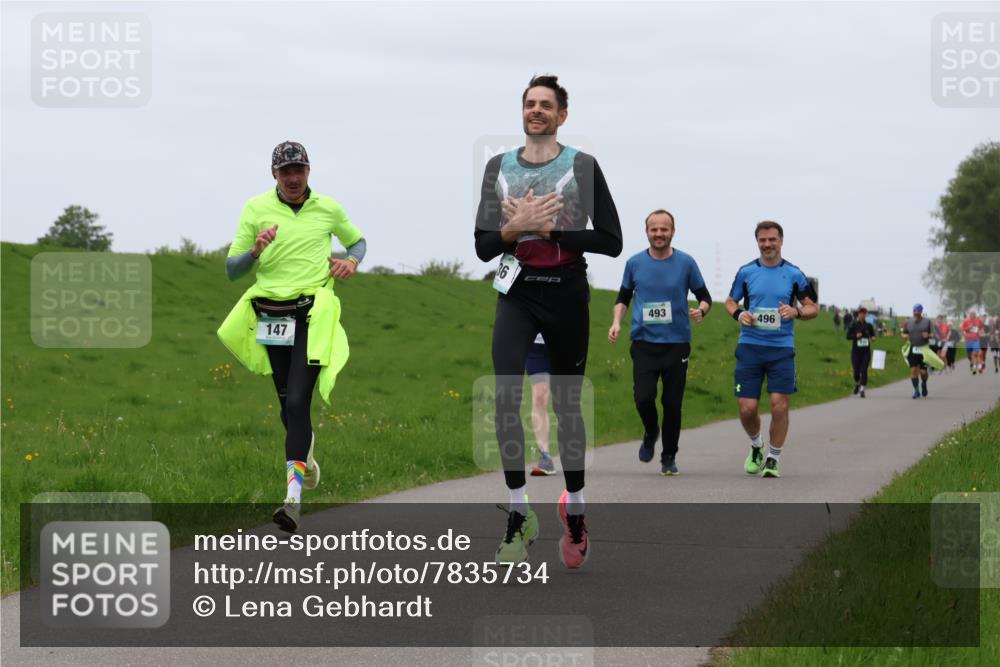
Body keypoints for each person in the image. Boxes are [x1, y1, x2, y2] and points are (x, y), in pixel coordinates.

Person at [474, 74, 622, 568]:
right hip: (516, 291)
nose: (536, 110)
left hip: (565, 292)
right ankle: (519, 514)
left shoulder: (582, 166)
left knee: (566, 405)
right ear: (522, 112)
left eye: (546, 105)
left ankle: (575, 507)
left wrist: (550, 228)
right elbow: (482, 246)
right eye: (529, 104)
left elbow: (611, 239)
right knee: (504, 396)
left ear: (562, 115)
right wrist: (514, 228)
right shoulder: (498, 167)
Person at [218, 141, 366, 532]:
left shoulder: (328, 208)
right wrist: (254, 251)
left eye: (298, 169)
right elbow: (232, 271)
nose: (293, 177)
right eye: (285, 172)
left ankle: (293, 500)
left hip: (311, 313)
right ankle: (307, 461)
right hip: (271, 316)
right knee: (287, 405)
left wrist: (351, 261)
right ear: (274, 175)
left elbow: (358, 241)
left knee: (299, 399)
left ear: (309, 170)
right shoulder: (255, 209)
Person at [608, 209, 711, 475]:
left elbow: (704, 296)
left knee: (673, 403)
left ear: (672, 232)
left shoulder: (686, 263)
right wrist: (617, 322)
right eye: (654, 229)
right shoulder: (634, 263)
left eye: (664, 229)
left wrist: (702, 309)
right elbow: (623, 297)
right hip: (643, 343)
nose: (659, 234)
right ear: (647, 232)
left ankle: (668, 457)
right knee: (643, 398)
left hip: (677, 343)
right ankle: (651, 430)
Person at [724, 221, 818, 479]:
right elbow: (730, 301)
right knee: (747, 408)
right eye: (762, 240)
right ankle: (756, 446)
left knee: (779, 406)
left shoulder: (795, 274)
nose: (767, 244)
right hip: (750, 348)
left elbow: (813, 307)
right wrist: (739, 313)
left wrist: (796, 311)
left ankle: (773, 459)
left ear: (781, 241)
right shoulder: (746, 272)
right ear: (757, 242)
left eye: (772, 240)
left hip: (781, 350)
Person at [526, 334, 557, 476]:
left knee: (565, 401)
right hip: (536, 345)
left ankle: (572, 453)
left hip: (563, 342)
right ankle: (545, 456)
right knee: (540, 395)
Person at [901, 304, 933, 398]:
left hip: (924, 349)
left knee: (923, 372)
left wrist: (928, 335)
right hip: (913, 348)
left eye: (917, 311)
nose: (915, 312)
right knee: (914, 370)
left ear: (921, 311)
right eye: (914, 311)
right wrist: (905, 336)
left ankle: (924, 383)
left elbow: (933, 334)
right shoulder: (909, 322)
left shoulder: (927, 322)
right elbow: (903, 334)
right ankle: (916, 391)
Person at [846, 306, 876, 397]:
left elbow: (873, 335)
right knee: (856, 372)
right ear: (858, 314)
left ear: (866, 314)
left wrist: (873, 338)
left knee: (864, 370)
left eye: (864, 313)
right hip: (856, 352)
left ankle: (862, 389)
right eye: (861, 313)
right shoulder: (854, 324)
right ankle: (857, 384)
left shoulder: (869, 326)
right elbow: (848, 336)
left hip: (866, 352)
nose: (862, 315)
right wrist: (856, 336)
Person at [960, 309, 986, 375]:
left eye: (974, 314)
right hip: (968, 340)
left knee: (975, 353)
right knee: (969, 355)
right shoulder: (966, 321)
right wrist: (969, 327)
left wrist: (982, 333)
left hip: (976, 340)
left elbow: (981, 328)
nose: (973, 315)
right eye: (971, 314)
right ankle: (972, 363)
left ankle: (977, 367)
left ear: (975, 314)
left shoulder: (978, 321)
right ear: (969, 314)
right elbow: (962, 329)